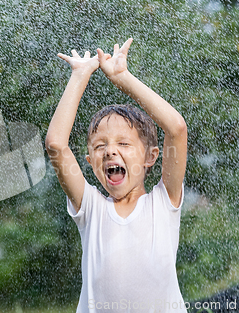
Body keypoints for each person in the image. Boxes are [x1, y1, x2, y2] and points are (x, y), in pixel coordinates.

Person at [45, 38, 188, 313]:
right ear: (90, 161)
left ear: (151, 157)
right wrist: (79, 76)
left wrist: (124, 78)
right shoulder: (90, 208)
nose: (110, 151)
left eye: (123, 144)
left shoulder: (164, 202)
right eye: (100, 146)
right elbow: (56, 144)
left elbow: (176, 129)